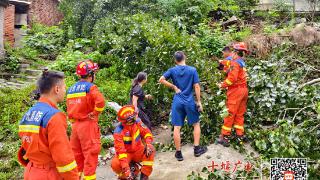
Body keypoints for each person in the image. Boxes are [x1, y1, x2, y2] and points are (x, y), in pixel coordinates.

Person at [17, 70, 78, 180]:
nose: (65, 90)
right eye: (64, 87)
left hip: (30, 172)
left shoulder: (29, 113)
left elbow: (25, 147)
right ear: (57, 89)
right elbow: (63, 158)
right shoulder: (54, 117)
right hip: (49, 174)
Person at [159, 51, 207, 161]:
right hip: (189, 101)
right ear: (184, 57)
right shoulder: (192, 70)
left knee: (177, 127)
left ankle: (179, 153)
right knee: (196, 124)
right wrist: (199, 102)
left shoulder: (172, 70)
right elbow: (196, 86)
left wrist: (174, 87)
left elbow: (161, 79)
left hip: (178, 101)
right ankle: (196, 149)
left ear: (175, 60)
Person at [66, 60, 105, 179]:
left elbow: (69, 108)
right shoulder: (91, 87)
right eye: (94, 73)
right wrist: (95, 113)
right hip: (87, 125)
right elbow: (101, 102)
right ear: (90, 75)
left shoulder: (71, 89)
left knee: (77, 156)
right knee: (90, 155)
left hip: (75, 127)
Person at [217, 42, 249, 147]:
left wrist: (222, 85)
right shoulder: (241, 62)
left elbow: (232, 79)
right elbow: (229, 63)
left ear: (235, 52)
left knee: (230, 113)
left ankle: (224, 137)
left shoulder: (235, 63)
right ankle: (239, 135)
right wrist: (222, 62)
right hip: (244, 90)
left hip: (236, 91)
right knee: (240, 113)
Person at [111, 105, 155, 180]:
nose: (136, 116)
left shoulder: (138, 122)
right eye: (134, 115)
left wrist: (148, 143)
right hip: (126, 154)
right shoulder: (118, 132)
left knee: (151, 150)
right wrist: (126, 170)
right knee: (115, 164)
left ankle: (144, 175)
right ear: (129, 120)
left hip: (138, 150)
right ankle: (129, 174)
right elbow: (121, 152)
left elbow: (147, 132)